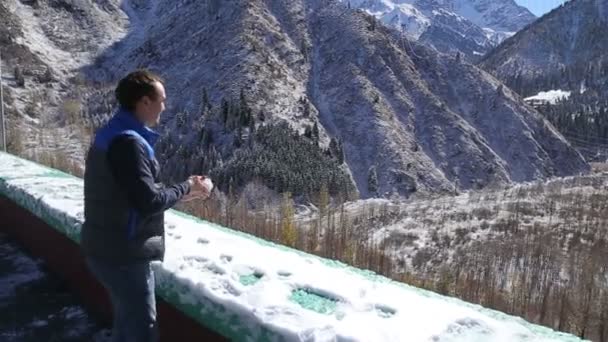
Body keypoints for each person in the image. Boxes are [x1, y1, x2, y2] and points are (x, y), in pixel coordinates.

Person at [81, 69, 211, 342]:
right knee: (142, 330)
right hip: (123, 254)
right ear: (144, 102)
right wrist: (187, 186)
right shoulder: (129, 143)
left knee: (126, 322)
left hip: (104, 245)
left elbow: (130, 192)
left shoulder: (114, 133)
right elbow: (148, 202)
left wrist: (180, 194)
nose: (165, 106)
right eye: (162, 99)